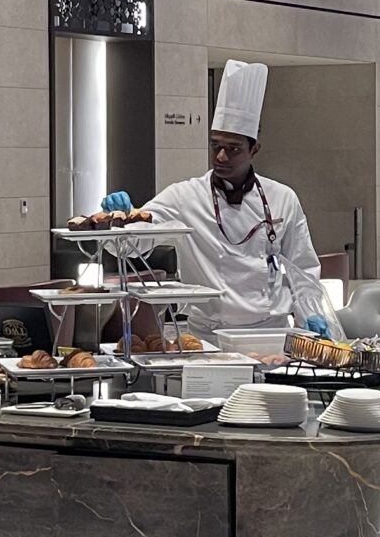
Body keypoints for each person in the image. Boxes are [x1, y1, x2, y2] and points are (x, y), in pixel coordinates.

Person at [143, 61, 334, 337]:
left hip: (271, 333)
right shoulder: (185, 196)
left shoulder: (283, 198)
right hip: (208, 336)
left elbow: (302, 268)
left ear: (254, 148)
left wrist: (311, 312)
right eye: (216, 146)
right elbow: (134, 243)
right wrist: (123, 220)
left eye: (233, 149)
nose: (221, 157)